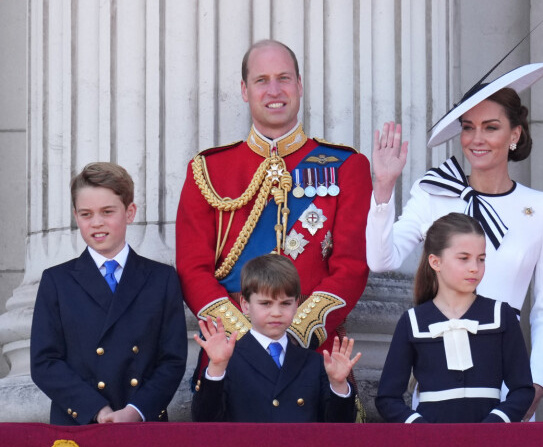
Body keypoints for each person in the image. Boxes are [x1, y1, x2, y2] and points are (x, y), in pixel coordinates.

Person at [366, 62, 543, 421]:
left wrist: (536, 385)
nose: (476, 139)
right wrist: (383, 189)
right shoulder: (433, 192)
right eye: (468, 128)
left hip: (509, 382)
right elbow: (382, 260)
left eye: (491, 127)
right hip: (440, 379)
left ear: (515, 134)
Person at [176, 39, 372, 370]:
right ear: (244, 90)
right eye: (261, 80)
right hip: (231, 354)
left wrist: (294, 334)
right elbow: (192, 269)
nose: (274, 90)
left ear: (299, 85)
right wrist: (243, 338)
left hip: (313, 355)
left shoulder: (346, 166)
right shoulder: (207, 170)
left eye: (283, 78)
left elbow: (351, 268)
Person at [30, 162, 188, 425]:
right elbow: (45, 362)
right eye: (86, 214)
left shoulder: (162, 279)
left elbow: (172, 360)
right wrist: (96, 409)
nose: (96, 223)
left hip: (143, 424)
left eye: (107, 211)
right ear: (75, 216)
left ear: (130, 212)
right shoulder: (56, 281)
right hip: (80, 425)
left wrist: (136, 410)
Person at [375, 213, 534, 423]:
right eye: (464, 258)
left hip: (490, 446)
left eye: (481, 259)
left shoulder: (501, 315)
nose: (474, 268)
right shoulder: (412, 322)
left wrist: (495, 424)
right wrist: (421, 429)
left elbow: (523, 389)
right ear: (435, 262)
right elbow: (387, 398)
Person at [191, 254, 360, 422]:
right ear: (245, 305)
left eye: (285, 303)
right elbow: (204, 421)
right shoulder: (227, 360)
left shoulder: (315, 363)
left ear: (296, 305)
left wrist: (338, 385)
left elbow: (339, 431)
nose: (276, 313)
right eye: (266, 304)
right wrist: (216, 369)